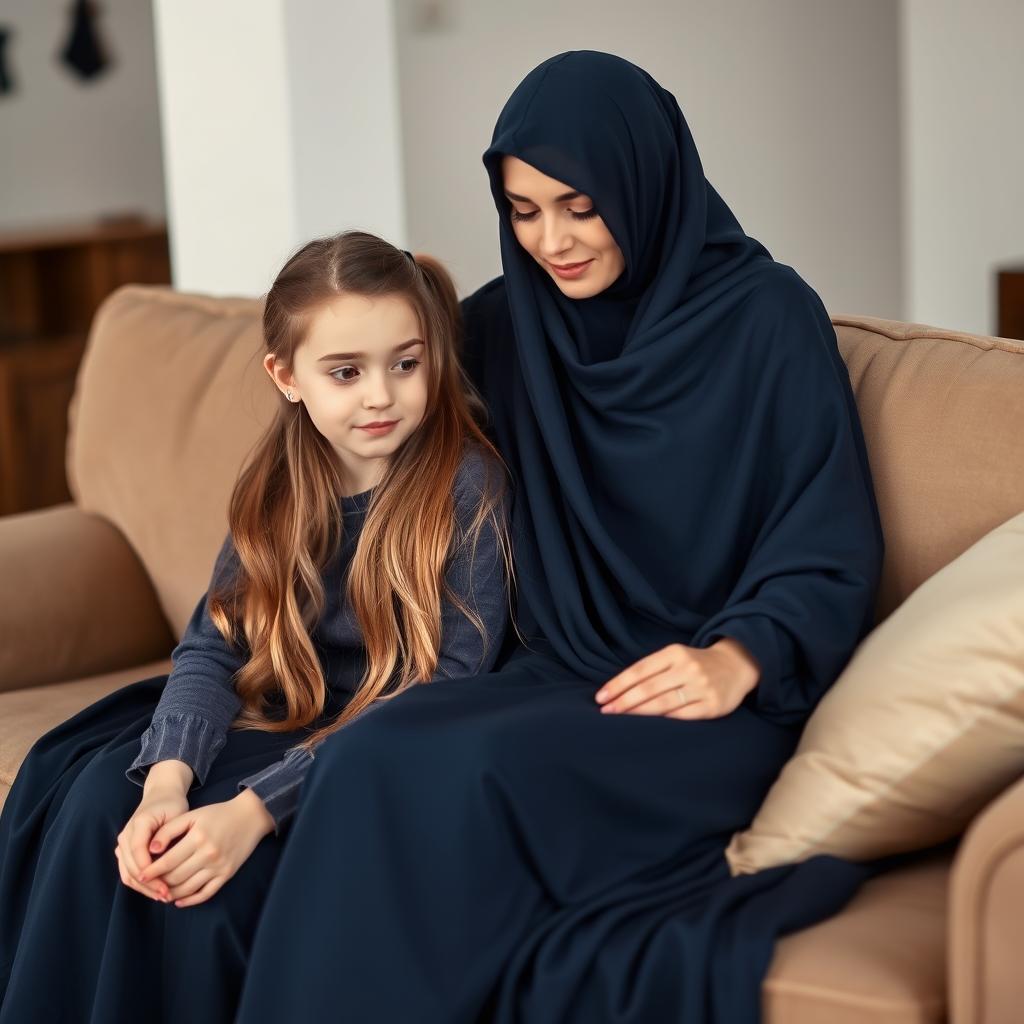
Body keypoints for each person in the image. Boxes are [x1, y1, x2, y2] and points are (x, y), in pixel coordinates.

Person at [229, 51, 888, 1024]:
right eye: (522, 209)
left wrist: (738, 656)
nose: (551, 241)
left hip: (702, 704)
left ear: (643, 177)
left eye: (579, 205)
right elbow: (378, 409)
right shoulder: (507, 327)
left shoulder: (766, 319)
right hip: (554, 670)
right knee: (375, 751)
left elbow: (825, 534)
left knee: (452, 772)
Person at [0, 231, 515, 1022]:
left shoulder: (467, 485)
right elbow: (212, 644)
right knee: (100, 793)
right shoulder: (278, 481)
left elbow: (441, 689)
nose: (380, 395)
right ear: (288, 376)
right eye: (345, 372)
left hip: (381, 742)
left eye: (406, 364)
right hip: (280, 707)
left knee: (214, 892)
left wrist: (254, 810)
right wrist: (166, 783)